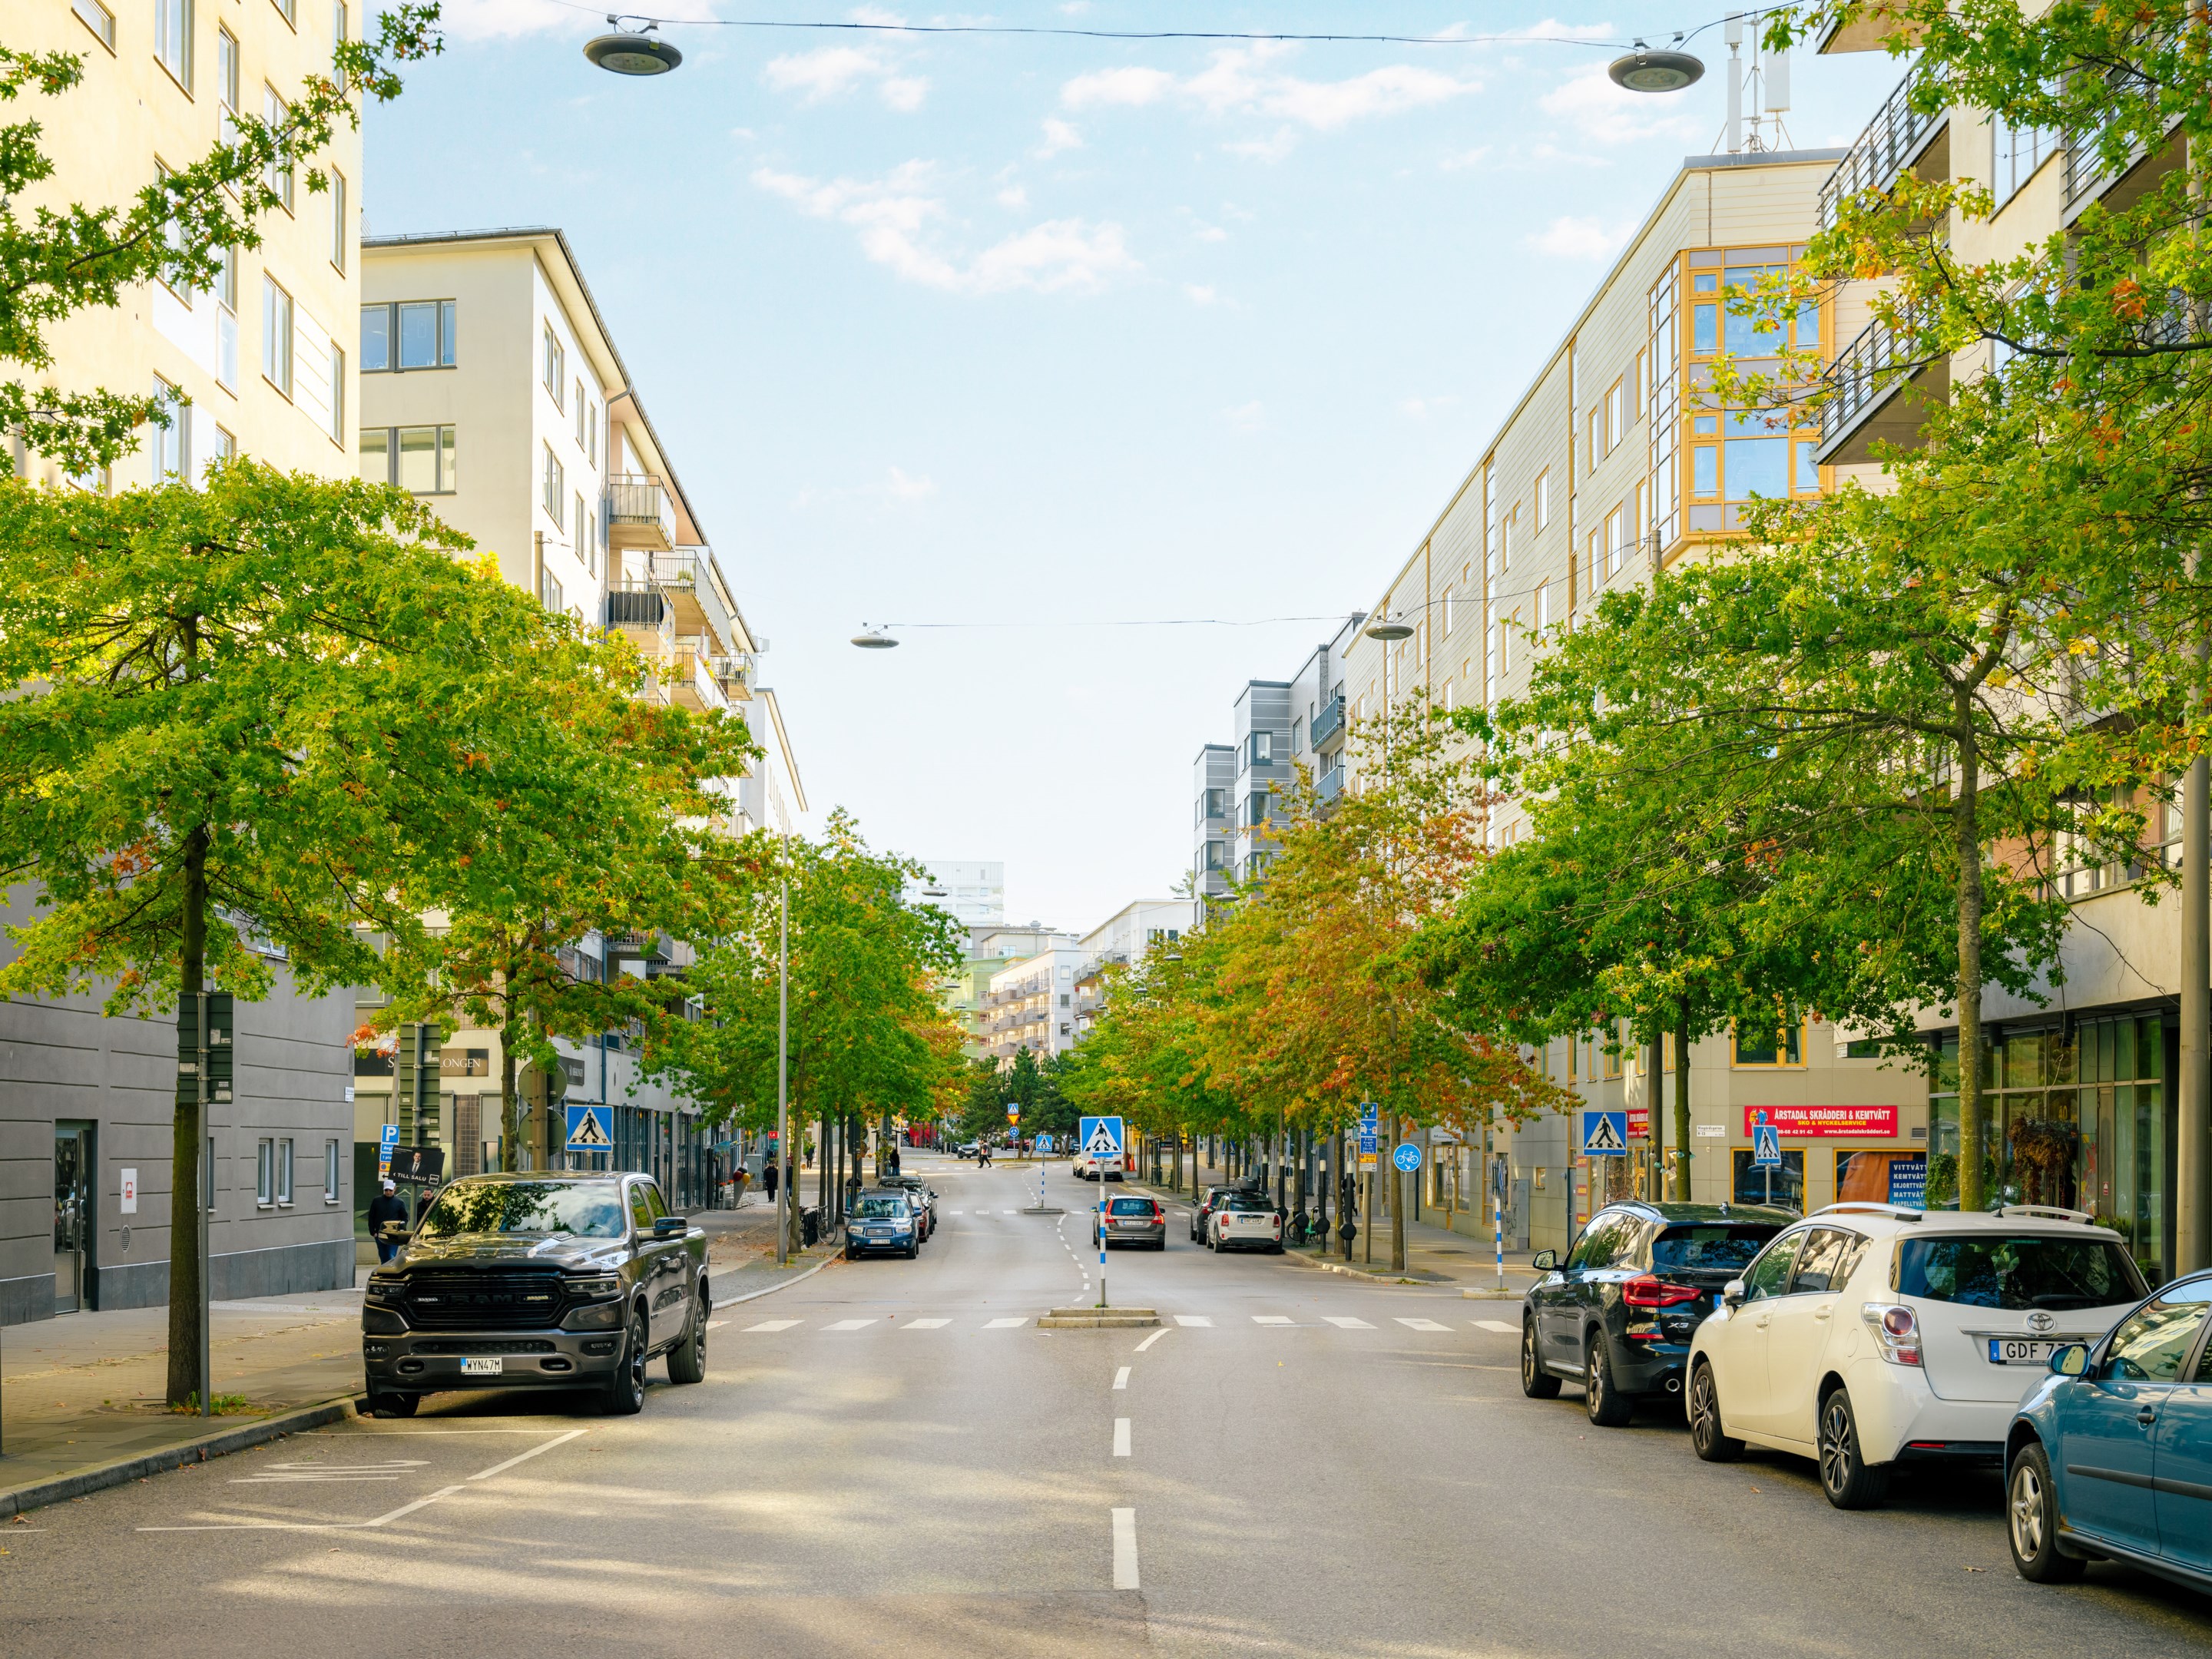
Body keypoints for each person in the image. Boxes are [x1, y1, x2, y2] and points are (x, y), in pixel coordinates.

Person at [367, 1179, 409, 1263]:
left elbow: (405, 1218)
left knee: (390, 1255)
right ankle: (386, 1271)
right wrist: (373, 1232)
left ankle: (389, 1271)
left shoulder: (399, 1202)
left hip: (393, 1235)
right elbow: (371, 1216)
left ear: (395, 1189)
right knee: (383, 1255)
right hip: (380, 1234)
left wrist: (400, 1229)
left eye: (390, 1190)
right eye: (386, 1190)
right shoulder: (377, 1201)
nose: (388, 1192)